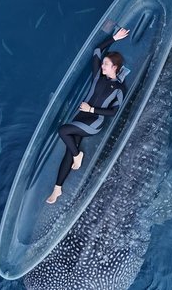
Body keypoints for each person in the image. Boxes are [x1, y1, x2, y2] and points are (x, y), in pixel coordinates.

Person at [46, 28, 130, 204]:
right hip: (80, 118)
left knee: (63, 131)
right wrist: (114, 38)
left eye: (106, 64)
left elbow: (114, 111)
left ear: (115, 67)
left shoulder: (120, 89)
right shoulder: (98, 75)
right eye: (103, 64)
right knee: (70, 148)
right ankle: (58, 189)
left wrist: (91, 109)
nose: (102, 66)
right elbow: (98, 50)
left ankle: (78, 155)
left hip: (94, 122)